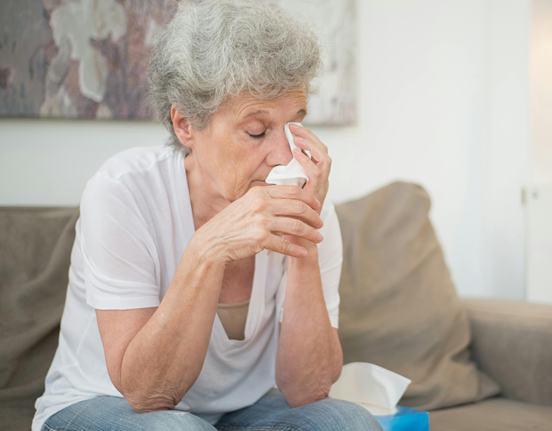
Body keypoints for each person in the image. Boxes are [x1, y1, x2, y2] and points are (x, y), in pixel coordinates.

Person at [32, 1, 381, 430]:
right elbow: (146, 393)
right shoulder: (122, 191)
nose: (285, 155)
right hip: (102, 402)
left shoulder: (306, 198)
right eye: (257, 130)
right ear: (185, 126)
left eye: (294, 125)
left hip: (238, 411)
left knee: (347, 423)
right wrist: (209, 248)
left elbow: (307, 391)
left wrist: (303, 236)